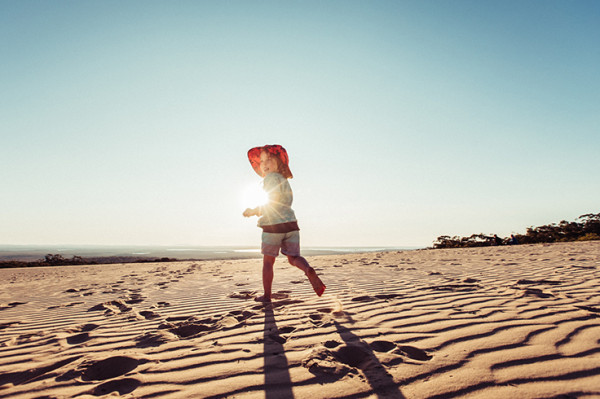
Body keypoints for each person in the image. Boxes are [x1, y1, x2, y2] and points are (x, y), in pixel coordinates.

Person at [243, 144, 326, 302]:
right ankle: (307, 269)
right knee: (294, 257)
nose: (265, 164)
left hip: (273, 226)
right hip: (291, 224)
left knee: (268, 261)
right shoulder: (284, 181)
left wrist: (253, 211)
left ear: (278, 162)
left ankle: (267, 296)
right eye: (262, 161)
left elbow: (272, 202)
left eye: (269, 159)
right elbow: (284, 202)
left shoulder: (269, 179)